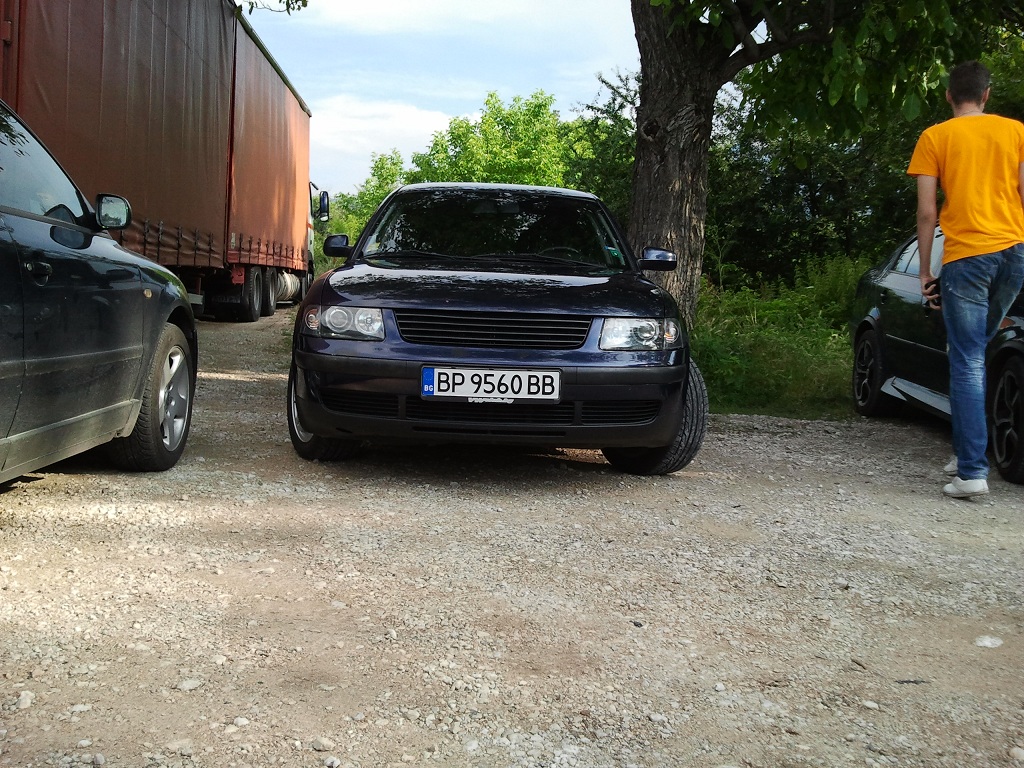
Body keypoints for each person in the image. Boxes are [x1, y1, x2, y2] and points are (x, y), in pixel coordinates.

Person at [908, 60, 1024, 499]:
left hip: (968, 257)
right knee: (976, 349)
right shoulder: (1015, 132)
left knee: (968, 357)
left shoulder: (935, 137)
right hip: (1014, 254)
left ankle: (973, 470)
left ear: (948, 96)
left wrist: (924, 270)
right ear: (987, 94)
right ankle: (966, 451)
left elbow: (927, 212)